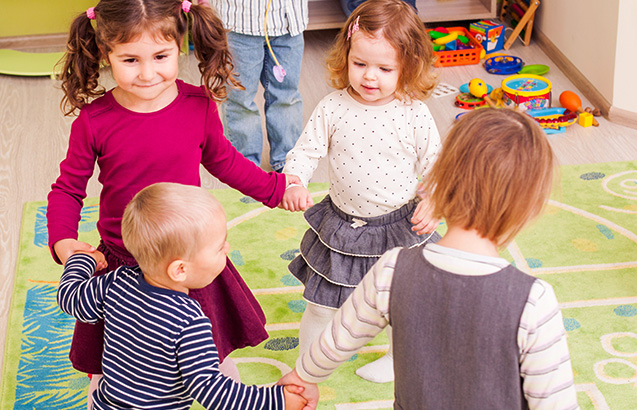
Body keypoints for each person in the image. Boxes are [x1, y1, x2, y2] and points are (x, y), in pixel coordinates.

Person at [47, 0, 302, 406]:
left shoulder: (197, 104)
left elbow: (225, 162)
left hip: (189, 251)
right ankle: (110, 390)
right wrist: (63, 242)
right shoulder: (94, 120)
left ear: (179, 48)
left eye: (161, 56)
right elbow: (67, 189)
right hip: (123, 259)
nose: (148, 73)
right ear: (106, 54)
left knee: (206, 343)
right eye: (130, 59)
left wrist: (276, 189)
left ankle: (219, 384)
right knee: (119, 348)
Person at [279, 108, 580, 409]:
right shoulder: (534, 300)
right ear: (528, 208)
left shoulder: (393, 269)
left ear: (439, 180)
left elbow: (340, 336)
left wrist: (303, 377)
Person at [280, 0, 441, 384]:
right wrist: (294, 180)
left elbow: (437, 166)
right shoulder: (332, 106)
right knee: (320, 303)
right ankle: (308, 365)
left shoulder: (413, 112)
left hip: (400, 227)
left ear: (408, 66)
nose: (370, 77)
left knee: (400, 304)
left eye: (385, 68)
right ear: (346, 56)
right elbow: (305, 151)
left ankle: (396, 359)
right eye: (360, 64)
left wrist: (435, 200)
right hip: (342, 226)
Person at [57, 183, 317, 410]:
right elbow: (212, 391)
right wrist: (276, 401)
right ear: (180, 269)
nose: (227, 248)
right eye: (219, 247)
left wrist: (81, 260)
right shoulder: (189, 321)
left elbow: (69, 296)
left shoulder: (116, 282)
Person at [201, 0, 307, 172]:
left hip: (290, 20)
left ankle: (288, 164)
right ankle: (246, 168)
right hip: (239, 21)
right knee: (239, 99)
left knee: (287, 97)